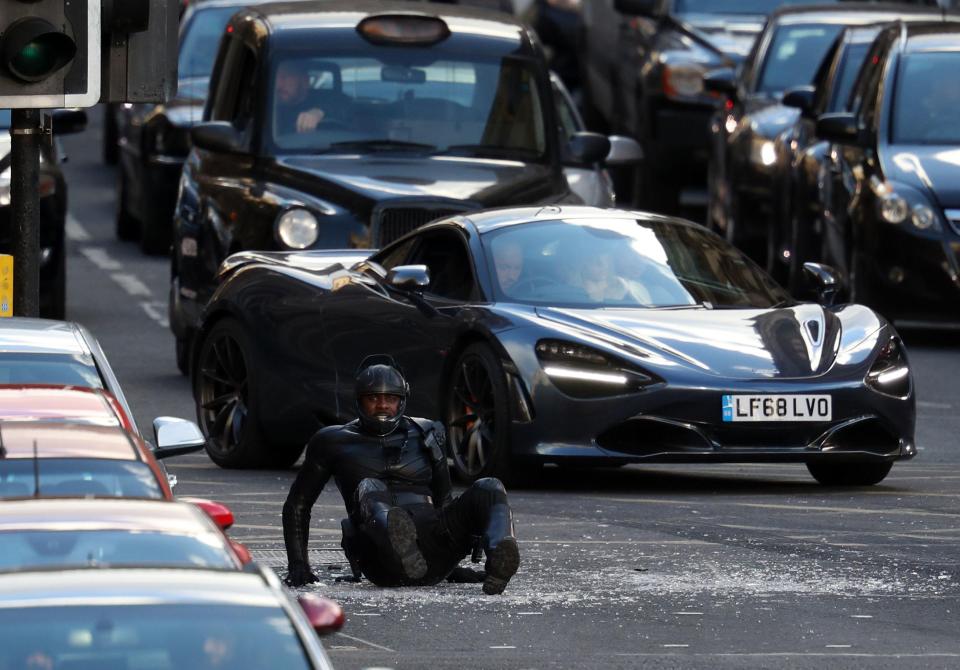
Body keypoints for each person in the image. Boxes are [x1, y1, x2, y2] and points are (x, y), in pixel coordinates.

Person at [282, 356, 520, 595]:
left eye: (390, 398)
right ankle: (399, 540)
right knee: (370, 486)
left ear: (402, 401)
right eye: (373, 398)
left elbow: (444, 503)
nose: (382, 405)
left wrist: (453, 569)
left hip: (434, 552)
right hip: (382, 560)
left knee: (490, 487)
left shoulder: (427, 432)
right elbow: (298, 505)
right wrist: (298, 565)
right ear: (359, 401)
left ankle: (499, 553)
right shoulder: (332, 441)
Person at [274, 60, 326, 135]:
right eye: (277, 77)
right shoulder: (270, 106)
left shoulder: (322, 99)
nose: (279, 84)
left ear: (305, 81)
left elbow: (338, 105)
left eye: (286, 76)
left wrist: (319, 112)